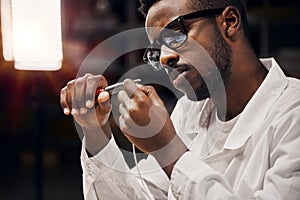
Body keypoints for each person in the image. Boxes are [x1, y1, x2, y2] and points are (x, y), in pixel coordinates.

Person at [60, 0, 300, 199]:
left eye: (176, 34)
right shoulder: (190, 112)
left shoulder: (293, 113)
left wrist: (170, 153)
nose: (164, 58)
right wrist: (95, 131)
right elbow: (142, 195)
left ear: (229, 22)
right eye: (157, 48)